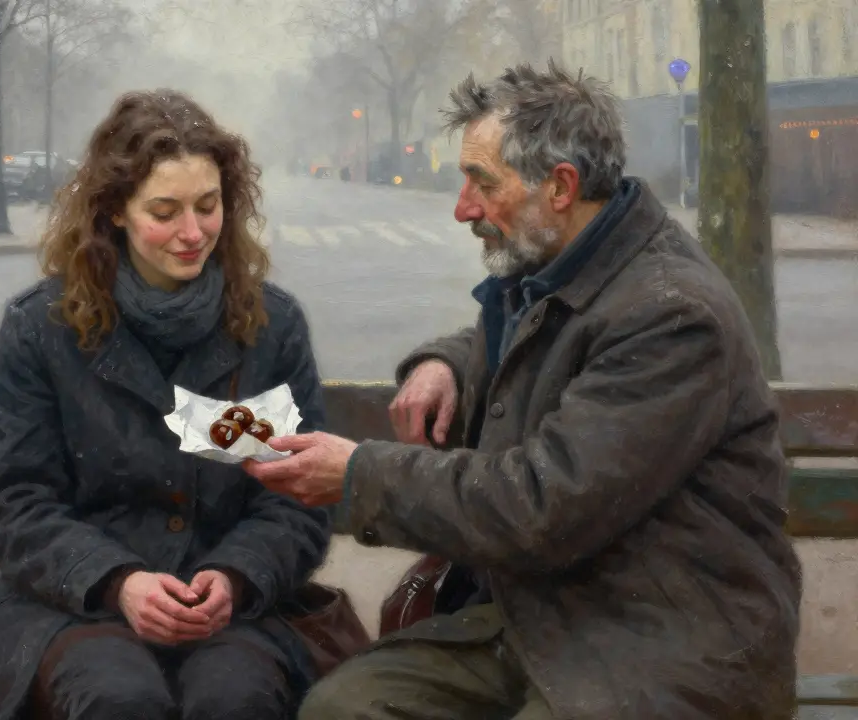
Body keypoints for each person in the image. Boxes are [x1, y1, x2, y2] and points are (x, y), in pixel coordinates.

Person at [244, 61, 803, 720]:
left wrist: (359, 473)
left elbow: (541, 506)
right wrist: (448, 362)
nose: (463, 207)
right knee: (345, 707)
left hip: (667, 642)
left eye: (483, 183)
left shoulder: (674, 315)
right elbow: (548, 334)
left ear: (560, 186)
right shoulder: (572, 260)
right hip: (547, 618)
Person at [0, 89, 332, 720]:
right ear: (116, 212)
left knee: (233, 699)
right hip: (73, 607)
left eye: (208, 206)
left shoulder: (271, 326)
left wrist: (235, 575)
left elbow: (295, 498)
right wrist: (116, 581)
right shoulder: (42, 328)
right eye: (164, 211)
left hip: (235, 613)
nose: (193, 232)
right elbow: (14, 501)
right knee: (119, 699)